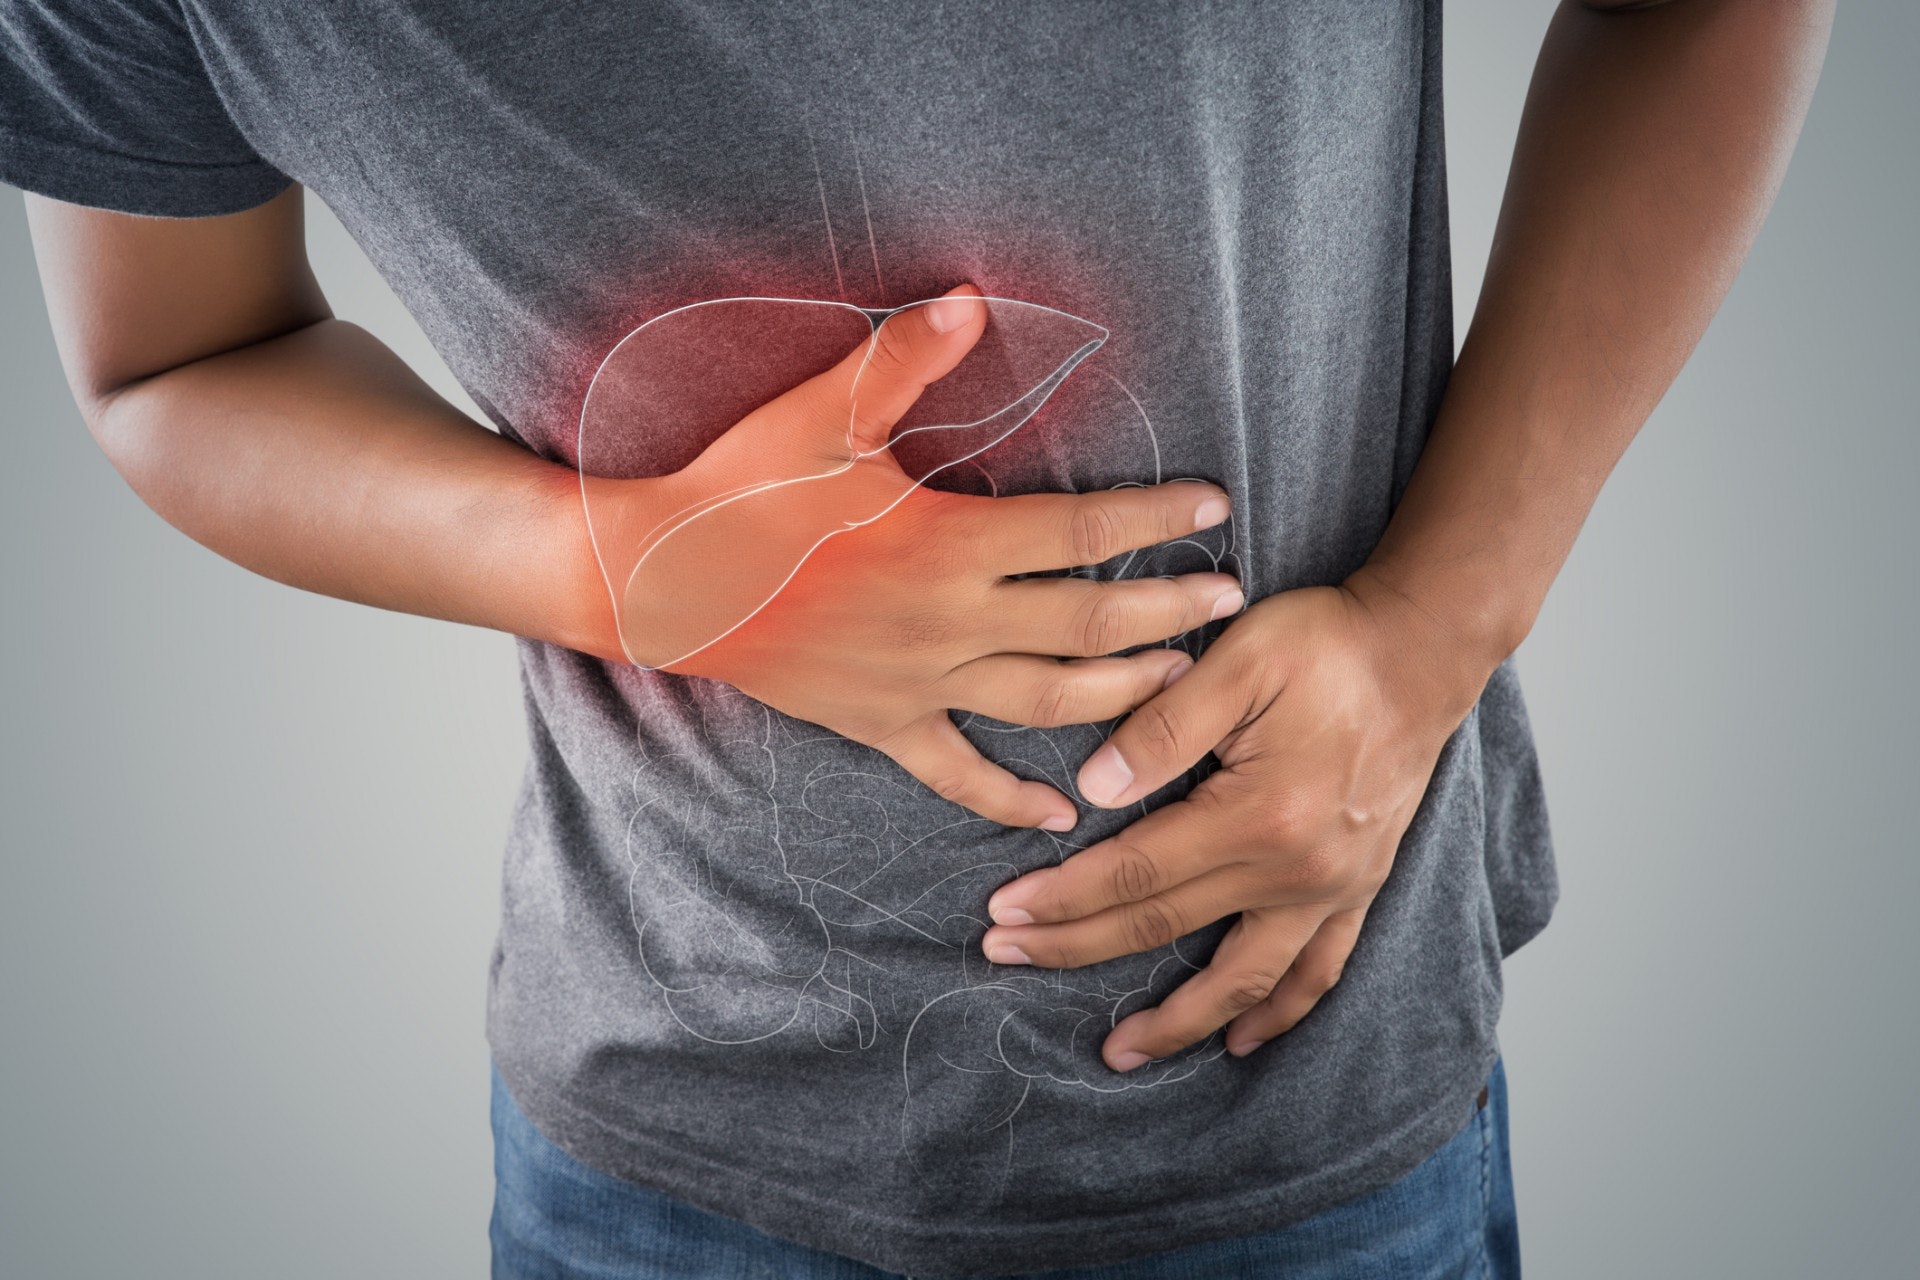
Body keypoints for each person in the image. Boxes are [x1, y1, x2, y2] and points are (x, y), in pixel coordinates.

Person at [0, 1, 1830, 1276]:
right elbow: (173, 359)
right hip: (660, 1144)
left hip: (1297, 1125)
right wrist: (609, 562)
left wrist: (1440, 622)